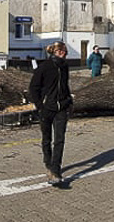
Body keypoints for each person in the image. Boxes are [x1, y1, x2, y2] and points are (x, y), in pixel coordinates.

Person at [29, 41, 72, 183]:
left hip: (62, 108)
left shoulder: (65, 66)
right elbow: (33, 87)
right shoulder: (44, 67)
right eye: (63, 51)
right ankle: (48, 163)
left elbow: (65, 86)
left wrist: (68, 101)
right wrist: (40, 106)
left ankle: (55, 170)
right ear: (56, 52)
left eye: (65, 51)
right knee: (47, 139)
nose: (64, 54)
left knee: (59, 140)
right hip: (47, 109)